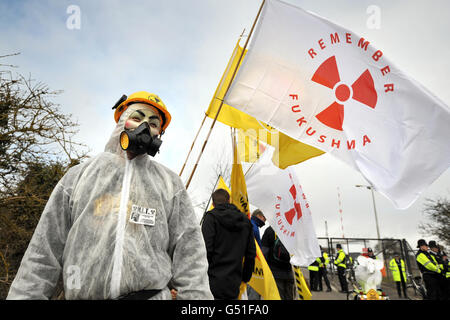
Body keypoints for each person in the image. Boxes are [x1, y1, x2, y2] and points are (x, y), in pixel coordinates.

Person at [7, 91, 213, 300]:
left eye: (153, 123)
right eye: (136, 117)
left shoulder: (170, 184)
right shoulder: (79, 177)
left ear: (159, 134)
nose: (144, 126)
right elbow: (43, 253)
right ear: (122, 121)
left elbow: (191, 254)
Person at [201, 188, 256, 299]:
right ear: (229, 200)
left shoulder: (210, 218)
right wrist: (245, 277)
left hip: (211, 282)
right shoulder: (246, 221)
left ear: (213, 203)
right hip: (234, 283)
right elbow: (250, 254)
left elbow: (205, 250)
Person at [261, 226, 295, 300]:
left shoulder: (270, 230)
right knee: (290, 296)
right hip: (289, 272)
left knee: (277, 297)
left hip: (275, 272)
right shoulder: (291, 229)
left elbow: (264, 253)